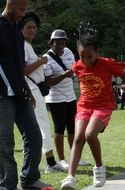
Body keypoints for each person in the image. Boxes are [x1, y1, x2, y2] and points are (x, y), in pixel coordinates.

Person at [0, 0, 50, 189]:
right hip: (2, 94)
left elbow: (19, 65)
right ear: (10, 4)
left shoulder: (16, 31)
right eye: (21, 9)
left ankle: (29, 179)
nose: (22, 13)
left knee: (34, 136)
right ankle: (8, 185)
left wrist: (27, 90)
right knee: (5, 142)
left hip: (21, 93)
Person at [60, 27, 125, 189]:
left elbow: (124, 75)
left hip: (103, 106)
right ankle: (70, 177)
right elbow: (72, 71)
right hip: (84, 106)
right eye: (82, 56)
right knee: (77, 138)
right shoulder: (78, 66)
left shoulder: (106, 64)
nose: (86, 60)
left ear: (97, 52)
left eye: (90, 56)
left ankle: (99, 168)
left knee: (90, 134)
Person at [18, 11, 66, 173]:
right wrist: (41, 61)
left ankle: (42, 161)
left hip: (35, 90)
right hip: (32, 90)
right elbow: (23, 71)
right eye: (28, 27)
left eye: (34, 27)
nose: (32, 30)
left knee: (36, 127)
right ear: (21, 28)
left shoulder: (27, 45)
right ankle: (50, 162)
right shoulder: (22, 45)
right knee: (43, 126)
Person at [44, 29, 88, 169]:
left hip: (70, 95)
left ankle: (75, 157)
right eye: (57, 43)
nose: (60, 45)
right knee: (59, 129)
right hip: (55, 98)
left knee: (72, 128)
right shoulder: (47, 58)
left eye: (62, 42)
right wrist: (65, 75)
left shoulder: (69, 52)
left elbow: (75, 68)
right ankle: (62, 159)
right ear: (51, 43)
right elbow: (49, 82)